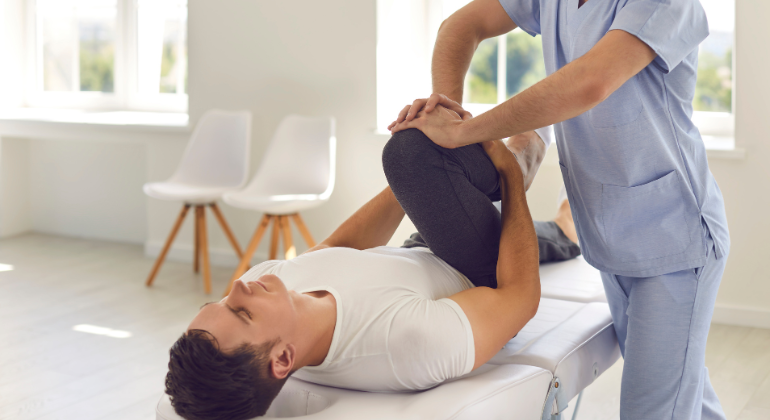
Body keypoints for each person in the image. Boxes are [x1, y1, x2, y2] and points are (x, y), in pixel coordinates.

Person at [388, 0, 730, 419]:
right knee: (685, 393)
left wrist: (461, 132)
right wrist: (445, 106)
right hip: (610, 239)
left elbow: (590, 81)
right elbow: (462, 24)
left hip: (674, 239)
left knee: (655, 408)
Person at [163, 123, 581, 420]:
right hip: (477, 273)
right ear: (283, 359)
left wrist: (407, 189)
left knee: (412, 156)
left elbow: (336, 250)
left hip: (418, 254)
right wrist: (508, 174)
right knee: (410, 153)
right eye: (241, 312)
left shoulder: (270, 289)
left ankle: (552, 193)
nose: (238, 286)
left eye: (220, 301)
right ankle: (534, 149)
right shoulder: (403, 345)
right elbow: (519, 300)